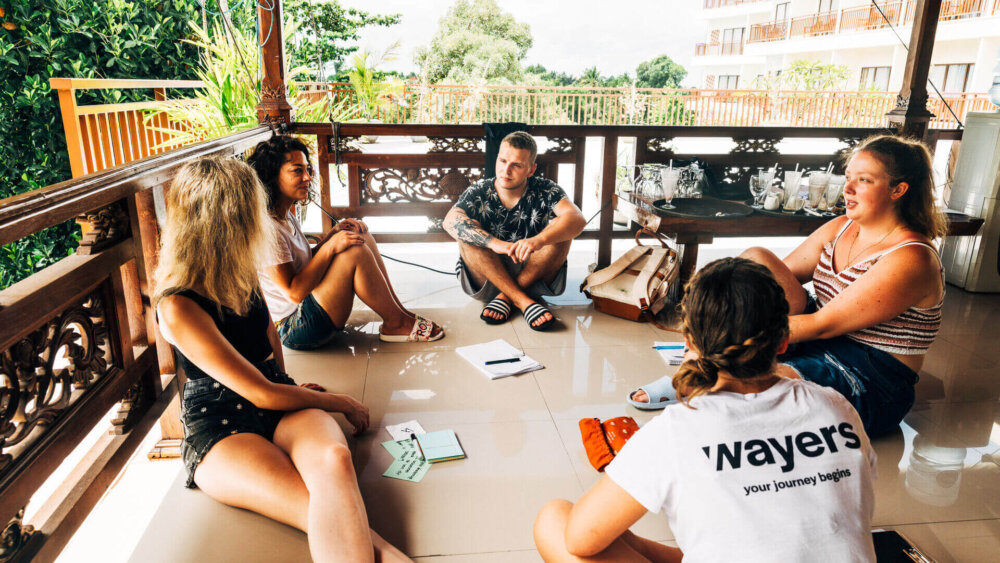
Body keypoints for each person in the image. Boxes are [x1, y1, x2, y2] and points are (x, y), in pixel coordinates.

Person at [534, 257, 877, 562]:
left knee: (555, 518)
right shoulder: (835, 406)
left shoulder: (675, 430)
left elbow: (580, 540)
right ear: (785, 341)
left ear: (689, 342)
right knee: (621, 533)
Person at [154, 158, 411, 562]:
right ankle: (392, 556)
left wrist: (290, 387)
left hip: (275, 391)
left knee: (335, 460)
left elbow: (270, 338)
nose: (259, 220)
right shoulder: (178, 305)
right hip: (221, 423)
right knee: (308, 503)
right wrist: (338, 401)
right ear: (221, 223)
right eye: (249, 213)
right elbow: (258, 392)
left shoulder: (237, 269)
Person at [631, 135, 946, 439]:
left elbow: (822, 325)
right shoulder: (842, 226)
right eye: (848, 176)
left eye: (863, 180)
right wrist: (718, 320)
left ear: (898, 190)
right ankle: (707, 367)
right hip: (814, 339)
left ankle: (704, 372)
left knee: (746, 385)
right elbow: (763, 284)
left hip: (867, 373)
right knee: (757, 259)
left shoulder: (912, 258)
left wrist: (718, 340)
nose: (847, 188)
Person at [247, 135, 443, 348]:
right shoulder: (268, 229)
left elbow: (302, 265)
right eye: (297, 171)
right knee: (354, 252)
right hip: (293, 328)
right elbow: (294, 293)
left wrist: (333, 236)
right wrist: (331, 246)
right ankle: (395, 323)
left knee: (360, 236)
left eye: (307, 169)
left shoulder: (285, 214)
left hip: (309, 306)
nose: (307, 177)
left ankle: (398, 313)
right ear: (272, 176)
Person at [444, 131, 586, 331]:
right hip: (487, 279)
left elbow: (577, 219)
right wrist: (495, 244)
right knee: (467, 230)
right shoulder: (479, 190)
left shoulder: (546, 189)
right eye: (502, 161)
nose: (506, 170)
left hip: (535, 277)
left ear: (531, 169)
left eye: (516, 165)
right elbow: (450, 221)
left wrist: (538, 240)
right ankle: (523, 302)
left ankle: (506, 298)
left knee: (561, 227)